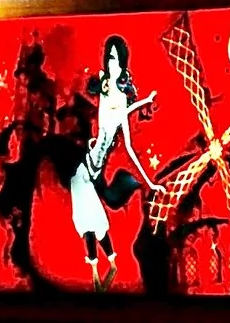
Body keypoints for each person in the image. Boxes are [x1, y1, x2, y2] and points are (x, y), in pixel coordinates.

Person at [71, 34, 157, 290]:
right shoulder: (106, 89)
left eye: (117, 60)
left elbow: (129, 145)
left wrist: (151, 182)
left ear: (124, 65)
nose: (111, 64)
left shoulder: (120, 104)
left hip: (92, 171)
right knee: (89, 218)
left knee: (93, 219)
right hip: (85, 169)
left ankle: (107, 266)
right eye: (110, 58)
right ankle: (99, 271)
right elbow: (94, 92)